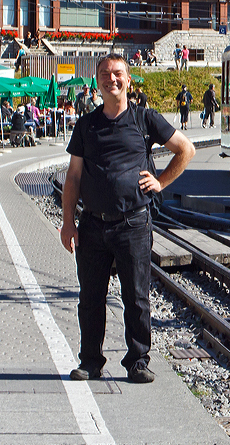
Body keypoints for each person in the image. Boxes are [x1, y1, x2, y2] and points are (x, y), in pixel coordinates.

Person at [61, 54, 195, 384]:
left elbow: (186, 149)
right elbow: (73, 177)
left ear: (128, 79)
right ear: (97, 81)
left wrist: (160, 182)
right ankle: (90, 361)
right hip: (92, 223)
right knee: (90, 298)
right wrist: (67, 222)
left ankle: (138, 361)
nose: (112, 79)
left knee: (136, 295)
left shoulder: (144, 119)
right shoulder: (86, 125)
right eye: (105, 74)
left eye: (118, 73)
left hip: (133, 223)